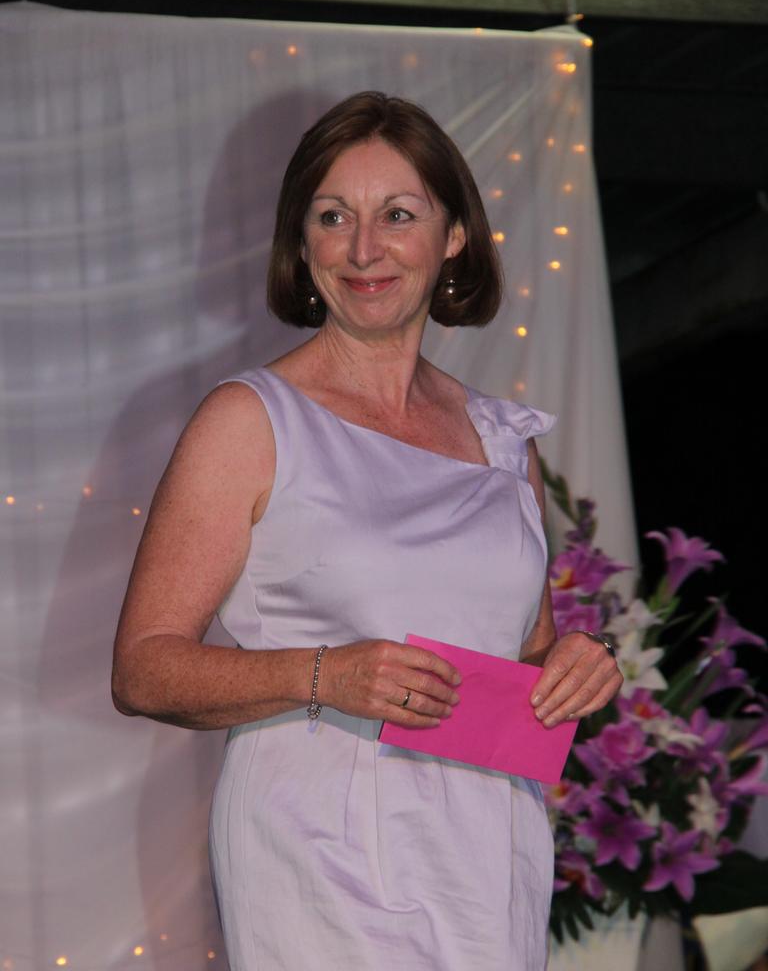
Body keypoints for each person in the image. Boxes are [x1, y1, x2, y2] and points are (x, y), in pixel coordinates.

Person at [112, 91, 622, 970]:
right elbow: (143, 668)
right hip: (319, 852)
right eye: (333, 216)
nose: (363, 249)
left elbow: (526, 650)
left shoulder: (503, 441)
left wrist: (572, 667)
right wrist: (329, 674)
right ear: (301, 242)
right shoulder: (250, 421)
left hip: (486, 850)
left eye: (397, 215)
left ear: (453, 235)